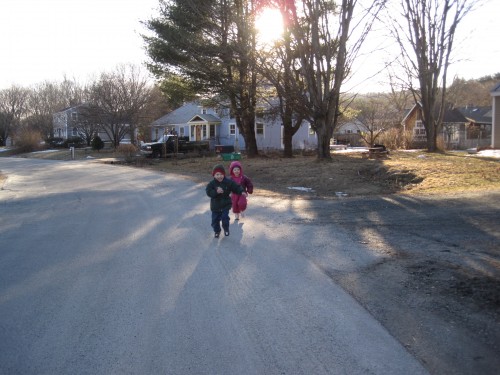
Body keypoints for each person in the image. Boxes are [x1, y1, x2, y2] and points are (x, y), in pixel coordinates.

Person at [206, 164, 245, 238]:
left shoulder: (228, 182)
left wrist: (241, 191)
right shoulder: (212, 184)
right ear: (214, 175)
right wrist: (216, 192)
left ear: (224, 174)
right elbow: (208, 192)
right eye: (217, 174)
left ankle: (226, 229)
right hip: (215, 206)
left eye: (221, 174)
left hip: (225, 204)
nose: (219, 176)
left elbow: (236, 187)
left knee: (225, 218)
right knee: (214, 221)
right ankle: (217, 231)